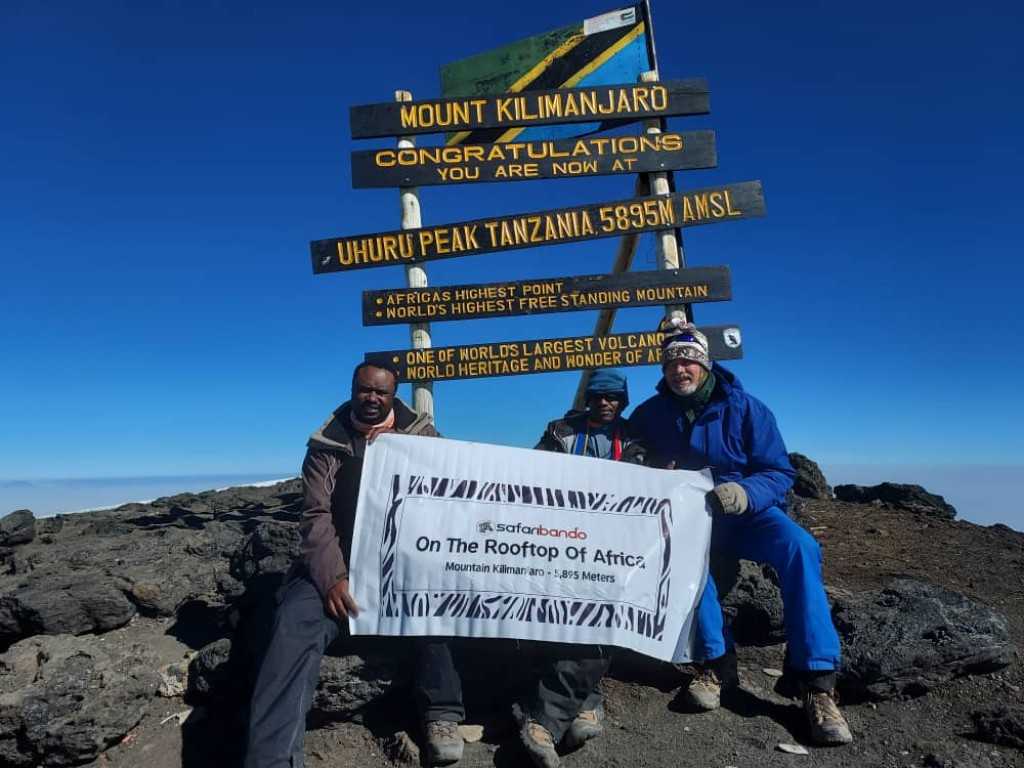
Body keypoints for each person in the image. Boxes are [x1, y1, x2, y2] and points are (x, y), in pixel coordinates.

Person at [629, 319, 853, 746]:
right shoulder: (650, 413)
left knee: (801, 547)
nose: (680, 370)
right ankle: (717, 664)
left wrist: (745, 493)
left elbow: (779, 470)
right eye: (672, 363)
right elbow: (629, 451)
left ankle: (817, 683)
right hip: (693, 520)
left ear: (705, 365)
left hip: (748, 512)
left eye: (689, 362)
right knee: (691, 564)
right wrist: (643, 463)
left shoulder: (746, 408)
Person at [246, 362, 467, 768]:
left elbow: (449, 499)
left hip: (404, 562)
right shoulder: (326, 445)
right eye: (365, 390)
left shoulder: (425, 438)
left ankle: (443, 715)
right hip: (337, 562)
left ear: (393, 395)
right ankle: (272, 759)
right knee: (293, 626)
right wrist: (333, 578)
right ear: (352, 389)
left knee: (437, 610)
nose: (372, 399)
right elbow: (316, 516)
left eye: (381, 393)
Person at [517, 369, 643, 768]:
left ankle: (545, 720)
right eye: (598, 397)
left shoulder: (636, 437)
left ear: (623, 401)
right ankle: (587, 701)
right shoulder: (559, 431)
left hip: (613, 545)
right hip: (562, 540)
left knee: (602, 608)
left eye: (613, 398)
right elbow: (531, 470)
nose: (605, 404)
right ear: (587, 398)